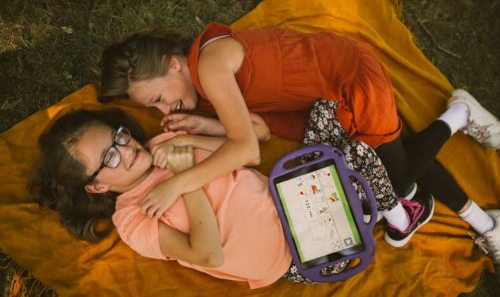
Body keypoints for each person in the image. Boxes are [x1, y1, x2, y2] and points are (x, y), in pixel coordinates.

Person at [96, 24, 500, 258]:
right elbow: (260, 131)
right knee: (387, 170)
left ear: (173, 64)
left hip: (345, 81)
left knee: (391, 178)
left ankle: (458, 115)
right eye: (156, 109)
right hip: (310, 104)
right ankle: (484, 223)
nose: (164, 111)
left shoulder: (211, 66)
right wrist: (210, 127)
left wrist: (177, 184)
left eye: (158, 99)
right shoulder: (203, 88)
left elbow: (248, 149)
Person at [29, 106, 437, 288]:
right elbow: (209, 255)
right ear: (97, 186)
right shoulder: (133, 218)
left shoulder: (166, 142)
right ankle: (396, 209)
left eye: (119, 135)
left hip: (289, 194)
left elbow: (251, 143)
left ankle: (392, 201)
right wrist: (182, 178)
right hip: (294, 255)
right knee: (366, 158)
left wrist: (196, 132)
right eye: (110, 157)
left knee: (331, 111)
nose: (128, 147)